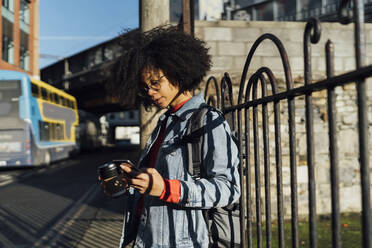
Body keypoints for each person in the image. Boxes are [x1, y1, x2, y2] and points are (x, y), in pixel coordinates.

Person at [107, 26, 240, 248]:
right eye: (145, 87)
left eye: (155, 82)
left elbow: (228, 189)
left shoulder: (208, 120)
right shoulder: (165, 122)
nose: (149, 91)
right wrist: (134, 176)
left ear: (178, 71)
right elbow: (157, 181)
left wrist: (168, 189)